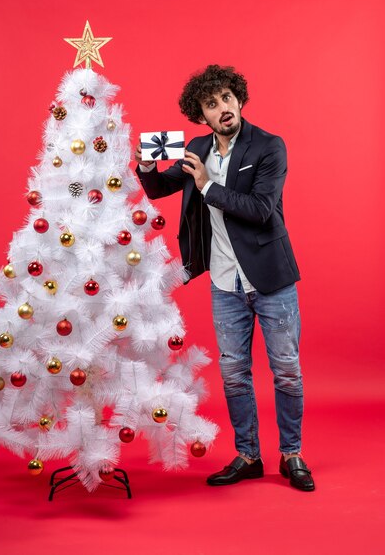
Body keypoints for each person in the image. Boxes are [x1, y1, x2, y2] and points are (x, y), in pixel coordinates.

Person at [135, 64, 315, 492]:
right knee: (234, 373)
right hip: (224, 282)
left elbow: (260, 210)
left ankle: (291, 454)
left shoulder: (269, 146)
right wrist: (144, 167)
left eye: (227, 98)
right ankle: (249, 455)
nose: (223, 108)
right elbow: (160, 189)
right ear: (201, 115)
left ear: (239, 99)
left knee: (286, 370)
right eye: (211, 104)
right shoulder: (198, 147)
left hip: (271, 279)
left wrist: (206, 186)